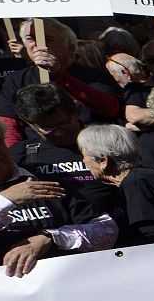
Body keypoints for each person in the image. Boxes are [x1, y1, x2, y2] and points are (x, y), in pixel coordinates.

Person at [0, 110, 115, 274]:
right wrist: (4, 200)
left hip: (67, 280)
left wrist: (51, 237)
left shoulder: (45, 179)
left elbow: (106, 229)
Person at [10, 83, 120, 218]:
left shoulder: (109, 142)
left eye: (63, 123)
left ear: (76, 112)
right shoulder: (21, 154)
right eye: (47, 127)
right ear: (31, 124)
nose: (59, 132)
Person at [0, 19, 120, 126]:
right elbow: (7, 122)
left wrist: (58, 74)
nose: (37, 44)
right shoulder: (15, 80)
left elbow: (110, 109)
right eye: (30, 39)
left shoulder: (94, 76)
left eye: (47, 39)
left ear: (71, 48)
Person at [78, 124, 154, 246]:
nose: (83, 161)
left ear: (103, 160)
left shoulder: (136, 184)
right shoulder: (136, 179)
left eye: (84, 155)